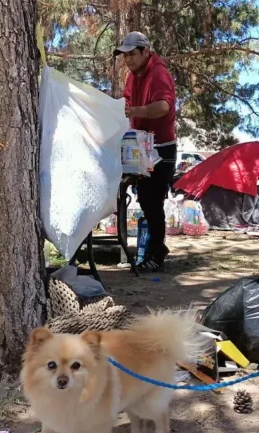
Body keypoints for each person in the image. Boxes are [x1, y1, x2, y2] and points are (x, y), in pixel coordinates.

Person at [116, 32, 176, 273]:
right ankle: (151, 250)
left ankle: (157, 253)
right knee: (145, 200)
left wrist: (134, 111)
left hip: (161, 148)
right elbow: (125, 103)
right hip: (140, 145)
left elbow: (163, 106)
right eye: (125, 55)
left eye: (132, 54)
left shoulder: (159, 73)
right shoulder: (133, 76)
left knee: (153, 201)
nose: (128, 59)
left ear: (146, 51)